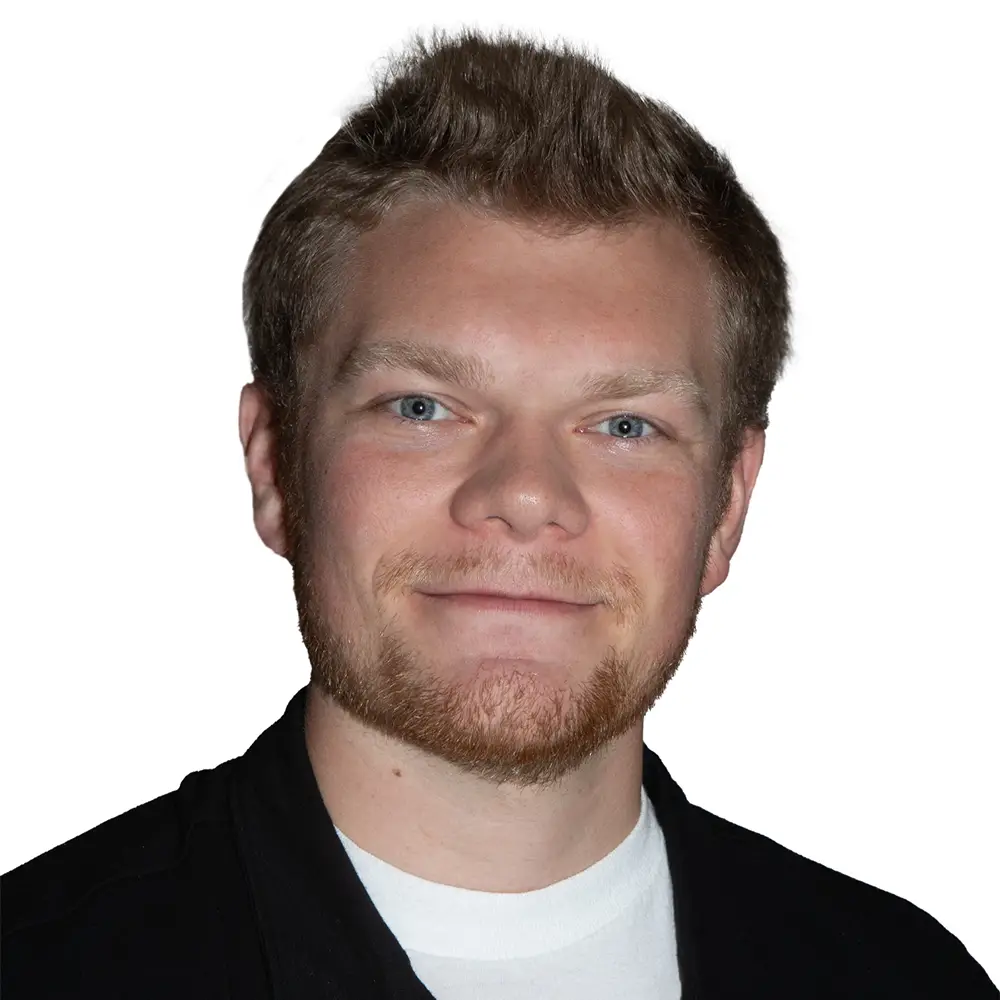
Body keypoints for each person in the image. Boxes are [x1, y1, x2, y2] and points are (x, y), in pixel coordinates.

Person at [2, 27, 995, 1000]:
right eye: (421, 406)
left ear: (728, 504)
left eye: (621, 424)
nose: (523, 494)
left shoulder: (904, 977)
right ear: (272, 464)